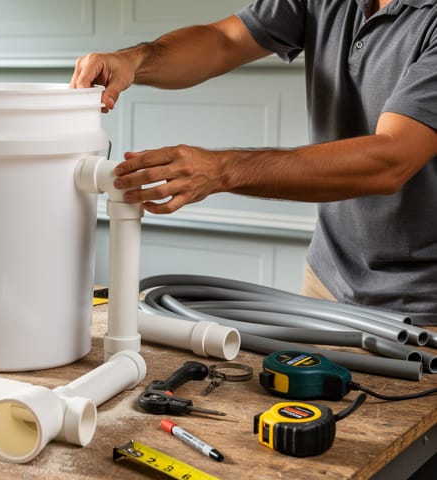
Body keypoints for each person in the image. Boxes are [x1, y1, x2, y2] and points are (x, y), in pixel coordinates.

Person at [70, 0, 437, 331]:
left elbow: (391, 160)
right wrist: (134, 60)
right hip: (327, 282)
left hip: (423, 308)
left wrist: (221, 170)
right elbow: (224, 40)